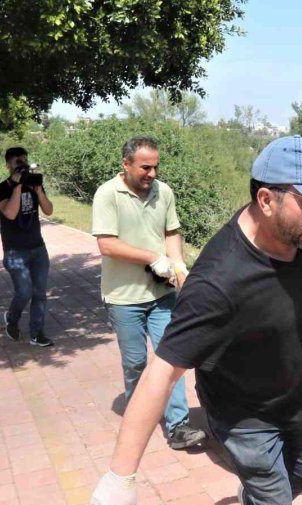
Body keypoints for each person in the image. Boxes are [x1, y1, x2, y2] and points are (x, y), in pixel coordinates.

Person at [90, 135, 302, 505]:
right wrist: (120, 475)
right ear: (266, 200)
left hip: (300, 395)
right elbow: (160, 372)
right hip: (245, 414)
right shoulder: (218, 283)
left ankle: (256, 502)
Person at [91, 136, 206, 451]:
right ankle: (137, 419)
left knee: (172, 358)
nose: (152, 174)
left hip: (162, 294)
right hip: (123, 297)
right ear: (126, 163)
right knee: (135, 363)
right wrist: (152, 257)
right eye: (145, 167)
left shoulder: (163, 192)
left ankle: (179, 426)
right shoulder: (107, 194)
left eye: (155, 167)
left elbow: (171, 233)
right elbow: (107, 245)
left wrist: (178, 266)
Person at [0, 148, 54, 347]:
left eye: (24, 160)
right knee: (24, 292)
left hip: (38, 248)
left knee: (40, 293)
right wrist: (17, 186)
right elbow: (10, 214)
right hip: (15, 251)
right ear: (8, 165)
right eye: (17, 161)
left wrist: (39, 191)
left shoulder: (33, 184)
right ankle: (12, 318)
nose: (22, 164)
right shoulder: (2, 189)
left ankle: (36, 333)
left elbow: (48, 210)